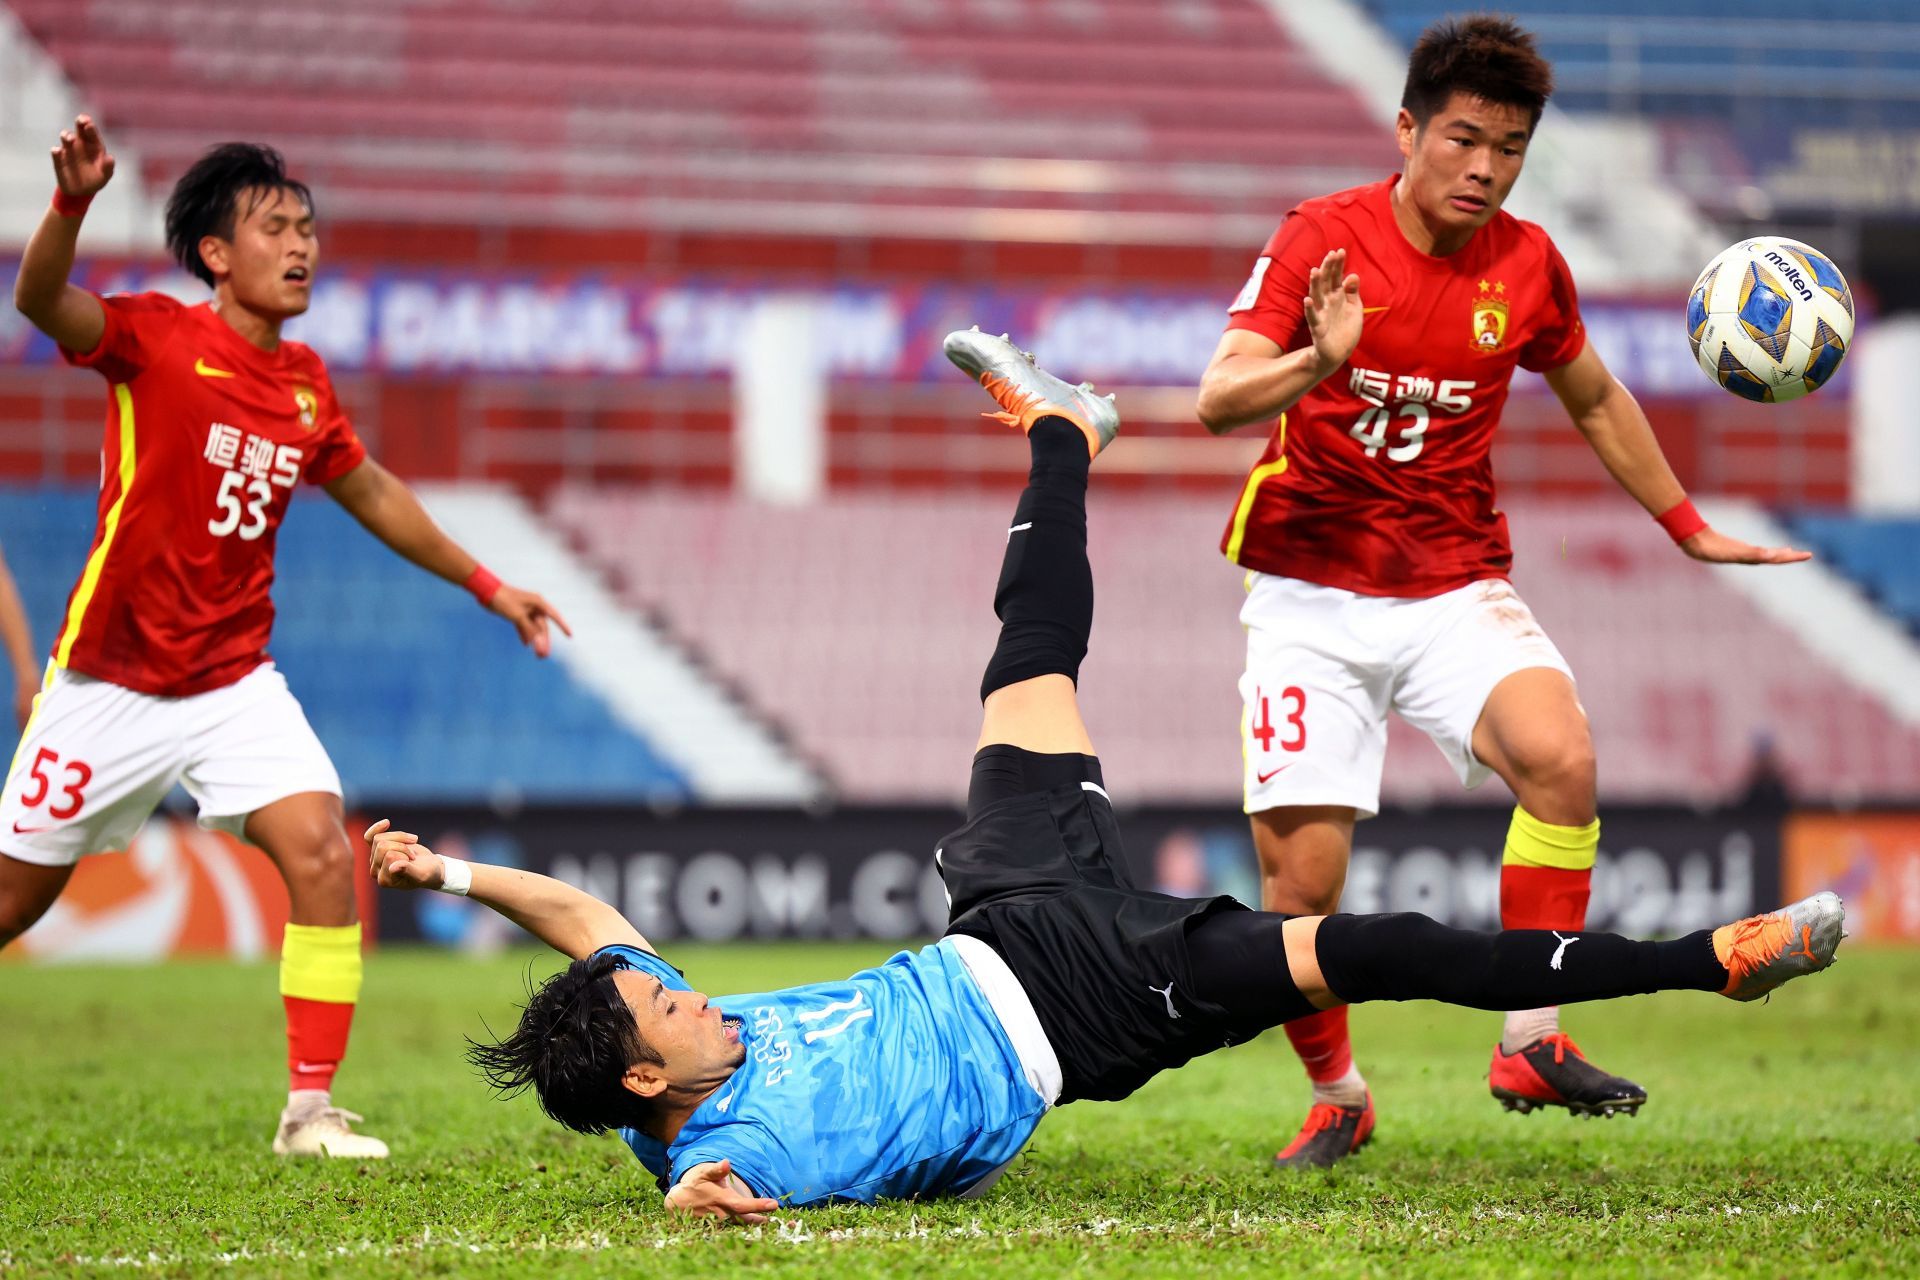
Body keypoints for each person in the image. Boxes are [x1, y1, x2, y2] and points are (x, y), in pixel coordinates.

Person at [368, 332, 1842, 1219]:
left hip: (1000, 911)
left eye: (666, 987)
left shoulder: (657, 1054)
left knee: (1026, 662)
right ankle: (1708, 963)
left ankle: (1063, 430)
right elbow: (713, 1196)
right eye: (669, 1007)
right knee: (1382, 949)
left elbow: (575, 917)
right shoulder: (715, 1139)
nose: (687, 990)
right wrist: (712, 1206)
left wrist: (447, 873)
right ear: (647, 1081)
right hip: (1088, 1009)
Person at [1192, 15, 1814, 1166]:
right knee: (1299, 895)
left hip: (1449, 579)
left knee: (1562, 756)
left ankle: (1531, 1036)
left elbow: (1590, 394)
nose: (1485, 167)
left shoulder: (1528, 264)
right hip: (1307, 597)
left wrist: (1685, 525)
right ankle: (1340, 1091)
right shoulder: (1319, 238)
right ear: (1408, 130)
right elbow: (1219, 399)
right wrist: (1313, 363)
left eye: (1511, 147)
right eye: (1465, 139)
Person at [2, 118, 571, 1158]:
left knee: (321, 849)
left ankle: (309, 1111)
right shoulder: (155, 340)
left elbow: (373, 491)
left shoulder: (306, 382)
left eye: (308, 227)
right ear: (217, 254)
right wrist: (71, 206)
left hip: (232, 682)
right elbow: (39, 301)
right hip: (107, 682)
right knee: (12, 902)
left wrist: (490, 585)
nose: (302, 245)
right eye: (275, 227)